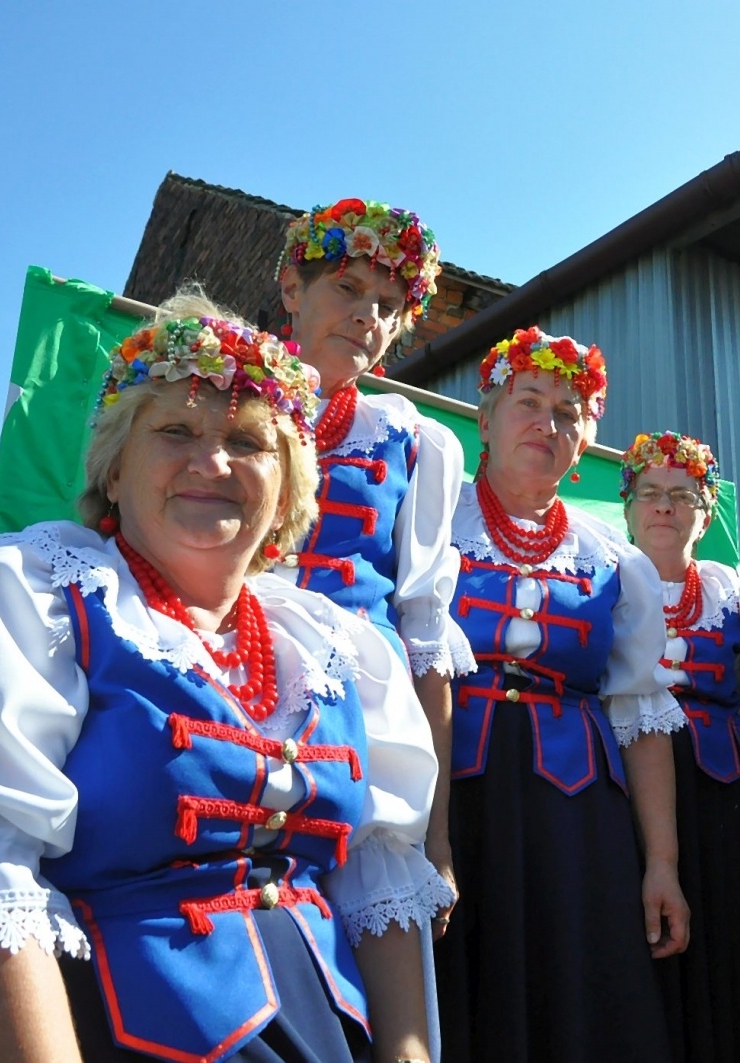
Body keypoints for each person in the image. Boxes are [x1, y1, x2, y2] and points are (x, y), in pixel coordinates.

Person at [0, 295, 448, 1063]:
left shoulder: (336, 644)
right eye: (176, 430)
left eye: (249, 441)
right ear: (115, 468)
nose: (212, 461)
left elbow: (378, 890)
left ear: (287, 491)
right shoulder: (39, 597)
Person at [435, 328, 690, 1063]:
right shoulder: (432, 519)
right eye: (530, 402)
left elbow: (641, 715)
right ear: (484, 418)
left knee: (575, 996)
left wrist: (662, 863)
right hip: (456, 799)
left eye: (570, 412)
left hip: (574, 817)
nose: (549, 423)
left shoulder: (617, 559)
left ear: (584, 443)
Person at [275, 199, 471, 937]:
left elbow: (424, 633)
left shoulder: (412, 439)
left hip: (363, 717)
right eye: (349, 290)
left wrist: (437, 837)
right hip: (227, 685)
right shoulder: (223, 401)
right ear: (293, 289)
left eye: (389, 305)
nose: (369, 317)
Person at [620, 431, 740, 1063]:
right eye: (651, 494)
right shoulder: (605, 583)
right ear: (628, 509)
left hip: (722, 788)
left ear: (704, 515)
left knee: (730, 935)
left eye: (682, 495)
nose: (664, 507)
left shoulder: (737, 596)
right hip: (629, 781)